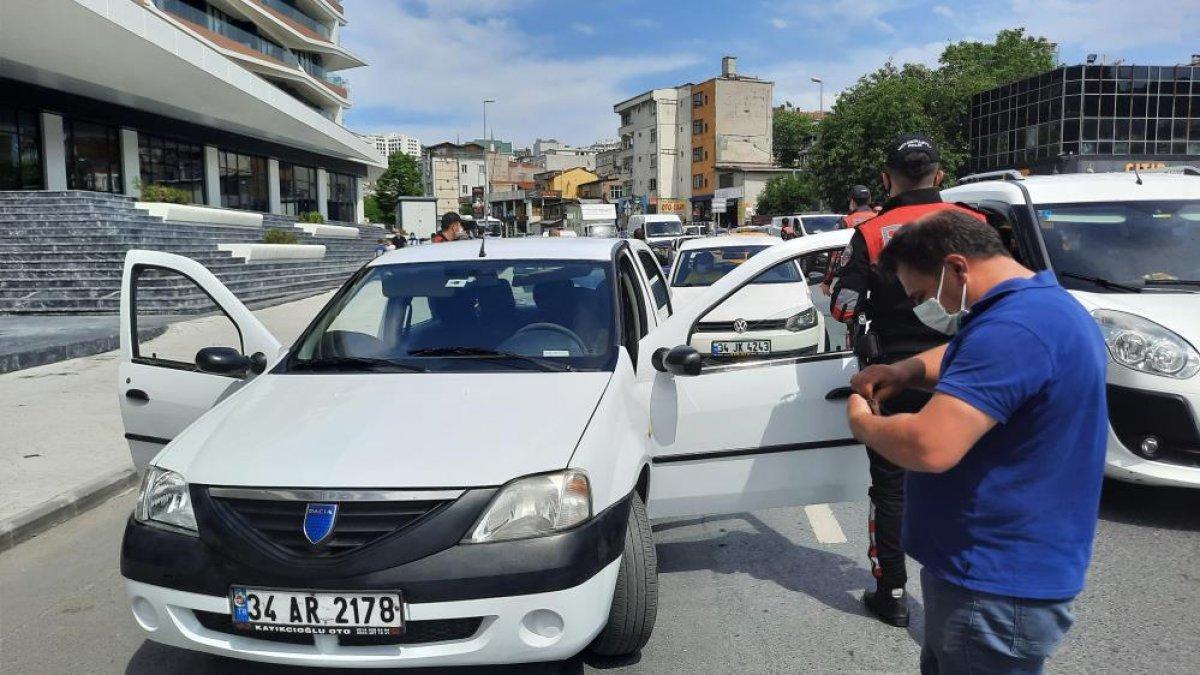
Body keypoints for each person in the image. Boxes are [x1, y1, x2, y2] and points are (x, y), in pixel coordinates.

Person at [846, 209, 1107, 673]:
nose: (928, 308)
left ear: (957, 267)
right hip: (993, 575)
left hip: (993, 586)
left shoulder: (1015, 329)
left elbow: (929, 446)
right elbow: (968, 355)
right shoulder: (1035, 307)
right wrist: (907, 370)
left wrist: (863, 423)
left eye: (923, 295)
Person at [828, 134, 988, 628]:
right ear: (940, 176)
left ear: (885, 180)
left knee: (891, 488)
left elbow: (842, 306)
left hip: (891, 380)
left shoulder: (872, 231)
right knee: (970, 480)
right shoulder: (974, 222)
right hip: (967, 371)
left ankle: (892, 592)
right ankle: (970, 589)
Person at [820, 185, 877, 295]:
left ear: (852, 201)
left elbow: (835, 255)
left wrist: (827, 282)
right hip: (878, 280)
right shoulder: (880, 218)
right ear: (869, 199)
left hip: (852, 282)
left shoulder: (845, 222)